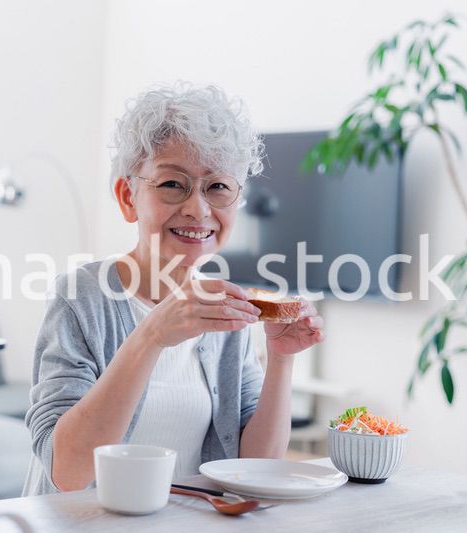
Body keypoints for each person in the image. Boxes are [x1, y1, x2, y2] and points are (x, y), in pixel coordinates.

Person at [23, 83, 324, 495]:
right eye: (172, 184)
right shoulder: (81, 298)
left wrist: (281, 360)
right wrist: (151, 335)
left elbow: (257, 467)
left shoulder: (225, 308)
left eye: (218, 187)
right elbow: (68, 472)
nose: (198, 209)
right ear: (128, 197)